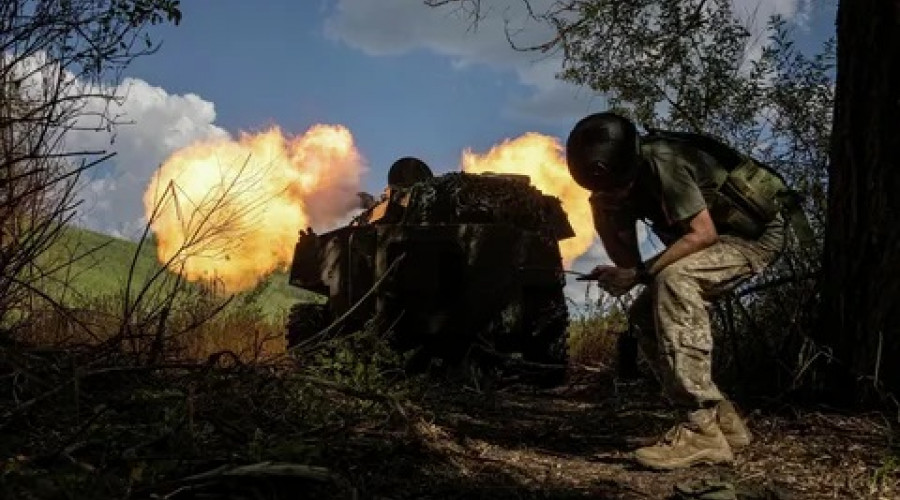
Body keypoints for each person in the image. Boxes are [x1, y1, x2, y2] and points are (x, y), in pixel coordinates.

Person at [565, 112, 787, 470]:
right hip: (714, 240)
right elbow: (628, 263)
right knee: (643, 313)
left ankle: (699, 430)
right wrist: (607, 218)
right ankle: (724, 427)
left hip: (752, 238)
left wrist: (638, 273)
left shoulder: (664, 162)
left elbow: (703, 235)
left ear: (629, 165)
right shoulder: (612, 190)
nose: (612, 193)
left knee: (675, 281)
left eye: (614, 186)